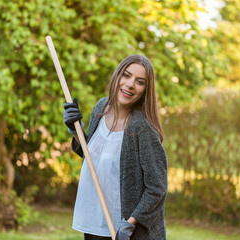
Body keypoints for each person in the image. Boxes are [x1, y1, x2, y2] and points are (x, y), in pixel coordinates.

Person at [63, 55, 167, 240]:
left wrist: (129, 224)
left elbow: (157, 187)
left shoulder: (142, 129)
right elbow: (92, 156)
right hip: (94, 221)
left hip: (122, 231)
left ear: (145, 90)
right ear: (117, 76)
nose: (130, 84)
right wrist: (75, 129)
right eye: (126, 75)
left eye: (140, 81)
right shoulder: (101, 108)